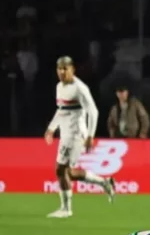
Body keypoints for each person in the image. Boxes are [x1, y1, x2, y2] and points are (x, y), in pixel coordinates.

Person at [44, 56, 116, 218]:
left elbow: (93, 111)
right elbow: (61, 109)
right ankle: (104, 182)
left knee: (60, 169)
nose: (62, 72)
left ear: (72, 69)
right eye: (59, 69)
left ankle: (66, 209)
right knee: (68, 172)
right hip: (65, 133)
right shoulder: (59, 87)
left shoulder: (80, 88)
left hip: (76, 134)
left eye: (65, 68)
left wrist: (90, 135)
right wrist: (51, 128)